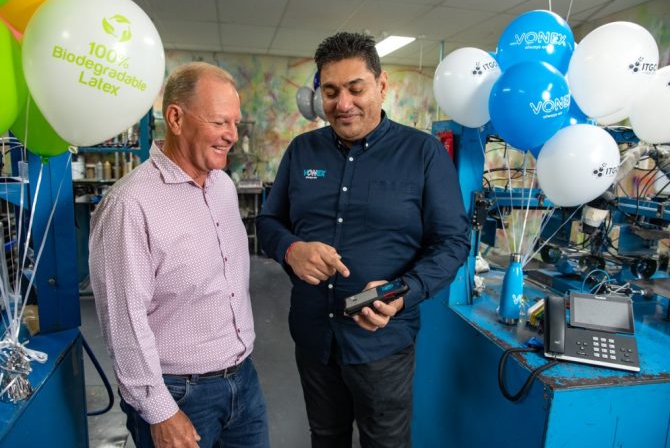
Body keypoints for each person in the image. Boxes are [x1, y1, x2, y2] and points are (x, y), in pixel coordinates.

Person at [256, 32, 471, 448]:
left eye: (356, 89)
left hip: (382, 344)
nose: (343, 104)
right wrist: (291, 249)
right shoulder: (302, 152)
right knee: (325, 436)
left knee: (384, 442)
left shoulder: (423, 153)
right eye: (331, 91)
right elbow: (269, 221)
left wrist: (400, 292)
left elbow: (452, 242)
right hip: (314, 337)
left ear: (381, 85)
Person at [89, 62, 269, 448]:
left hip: (243, 380)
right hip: (179, 394)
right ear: (175, 117)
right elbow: (124, 322)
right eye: (220, 122)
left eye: (235, 124)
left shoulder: (222, 185)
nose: (232, 136)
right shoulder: (130, 204)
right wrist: (160, 411)